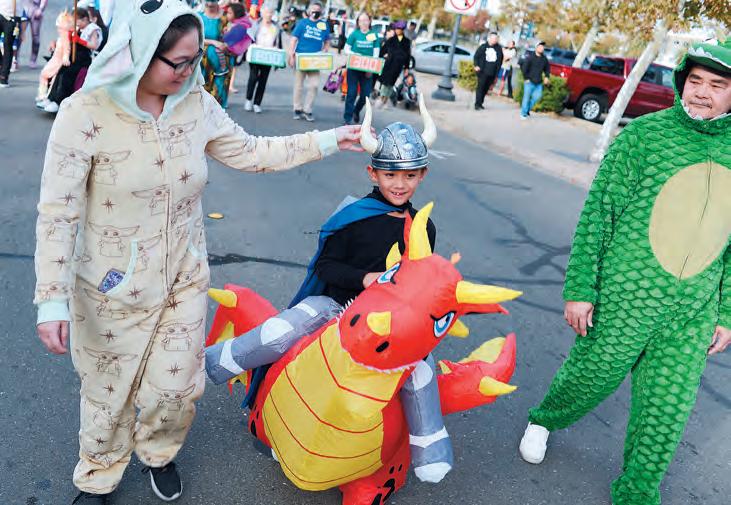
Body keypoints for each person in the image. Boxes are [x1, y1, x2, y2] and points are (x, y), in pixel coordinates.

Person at [33, 1, 364, 503]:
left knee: (177, 388)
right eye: (179, 62)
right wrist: (52, 300)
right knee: (107, 394)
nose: (190, 72)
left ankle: (158, 453)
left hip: (183, 277)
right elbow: (58, 212)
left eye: (195, 60)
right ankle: (98, 475)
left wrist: (331, 139)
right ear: (141, 52)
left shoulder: (196, 103)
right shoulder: (86, 113)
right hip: (110, 287)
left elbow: (252, 152)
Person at [519, 39, 731, 505]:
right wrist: (581, 288)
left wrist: (726, 314)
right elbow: (599, 214)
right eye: (695, 80)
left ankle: (637, 492)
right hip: (625, 297)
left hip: (692, 313)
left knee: (666, 412)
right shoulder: (645, 136)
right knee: (591, 376)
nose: (702, 92)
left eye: (717, 85)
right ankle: (545, 419)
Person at [206, 95, 457, 484]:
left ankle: (430, 448)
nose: (400, 184)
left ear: (422, 175)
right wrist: (365, 280)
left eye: (409, 176)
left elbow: (420, 287)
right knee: (284, 330)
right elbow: (326, 267)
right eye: (391, 175)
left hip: (390, 329)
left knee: (420, 370)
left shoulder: (424, 228)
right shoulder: (353, 217)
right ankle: (218, 362)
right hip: (337, 308)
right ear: (372, 173)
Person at [40, 8, 97, 113]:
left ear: (85, 19)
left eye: (77, 20)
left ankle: (59, 101)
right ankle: (51, 98)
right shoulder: (77, 29)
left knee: (67, 74)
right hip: (75, 57)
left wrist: (80, 41)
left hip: (84, 59)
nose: (76, 23)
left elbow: (94, 45)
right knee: (60, 71)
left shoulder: (92, 29)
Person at [288, 0, 330, 122]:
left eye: (318, 11)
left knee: (314, 85)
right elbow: (293, 39)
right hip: (301, 58)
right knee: (298, 85)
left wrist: (325, 50)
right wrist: (291, 55)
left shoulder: (324, 25)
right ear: (309, 11)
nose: (315, 12)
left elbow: (327, 40)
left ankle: (308, 109)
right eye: (313, 10)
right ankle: (297, 108)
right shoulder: (302, 23)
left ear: (321, 12)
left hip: (315, 60)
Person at [244, 3, 281, 113]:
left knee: (263, 80)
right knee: (253, 78)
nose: (269, 15)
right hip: (256, 55)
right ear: (262, 13)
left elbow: (278, 42)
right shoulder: (256, 24)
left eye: (271, 13)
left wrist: (277, 50)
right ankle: (248, 99)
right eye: (267, 12)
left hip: (268, 56)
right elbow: (249, 37)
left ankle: (257, 103)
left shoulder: (275, 27)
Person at [342, 11, 377, 125]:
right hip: (353, 68)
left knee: (365, 95)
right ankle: (347, 118)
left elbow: (376, 53)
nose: (363, 23)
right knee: (351, 93)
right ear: (358, 22)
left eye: (366, 20)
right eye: (361, 20)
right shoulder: (354, 34)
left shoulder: (374, 35)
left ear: (369, 21)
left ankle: (356, 111)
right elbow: (346, 49)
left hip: (367, 70)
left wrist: (371, 69)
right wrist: (355, 54)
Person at [200, 0, 233, 107]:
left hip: (222, 63)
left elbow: (234, 38)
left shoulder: (226, 17)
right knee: (202, 93)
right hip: (202, 63)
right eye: (207, 1)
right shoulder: (198, 17)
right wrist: (213, 42)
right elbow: (194, 38)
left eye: (213, 1)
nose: (210, 4)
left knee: (218, 95)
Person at [377, 20, 410, 108]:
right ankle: (381, 98)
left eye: (400, 29)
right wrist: (381, 57)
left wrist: (406, 68)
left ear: (403, 30)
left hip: (398, 66)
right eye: (396, 29)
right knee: (385, 82)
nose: (397, 30)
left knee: (391, 83)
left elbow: (408, 55)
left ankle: (385, 100)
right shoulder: (391, 40)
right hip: (389, 64)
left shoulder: (406, 42)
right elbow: (382, 51)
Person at [519, 41, 550, 119]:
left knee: (537, 97)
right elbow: (524, 68)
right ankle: (523, 114)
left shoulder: (544, 59)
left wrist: (547, 77)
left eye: (543, 47)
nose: (541, 48)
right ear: (536, 48)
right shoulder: (530, 57)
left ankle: (526, 109)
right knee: (526, 98)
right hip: (529, 82)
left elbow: (547, 69)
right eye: (540, 47)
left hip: (538, 83)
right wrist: (526, 78)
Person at [473, 32, 502, 110]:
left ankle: (480, 103)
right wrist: (476, 65)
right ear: (489, 38)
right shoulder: (483, 47)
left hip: (492, 73)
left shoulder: (499, 49)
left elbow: (499, 62)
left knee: (486, 89)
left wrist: (497, 74)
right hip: (482, 72)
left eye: (496, 39)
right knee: (480, 88)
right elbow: (476, 57)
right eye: (493, 38)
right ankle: (477, 104)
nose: (494, 40)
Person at [19, 0, 47, 68]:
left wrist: (41, 9)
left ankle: (33, 59)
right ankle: (15, 58)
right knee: (19, 34)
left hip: (36, 11)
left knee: (35, 36)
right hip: (23, 9)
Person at [0, 0, 18, 87]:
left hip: (11, 18)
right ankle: (2, 64)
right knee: (7, 46)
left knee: (7, 45)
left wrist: (15, 19)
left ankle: (4, 77)